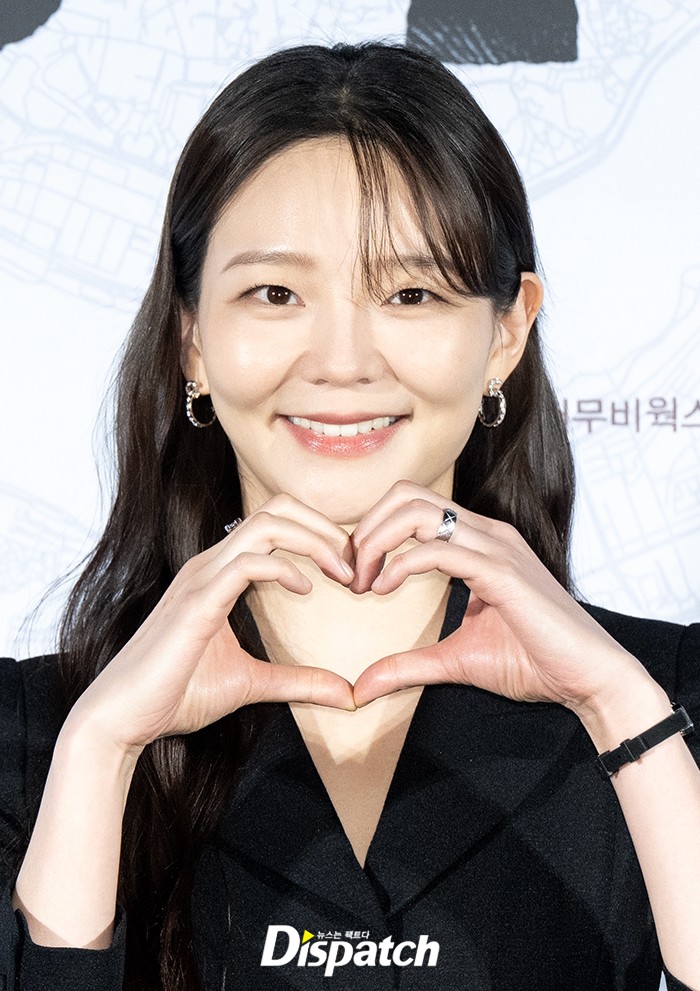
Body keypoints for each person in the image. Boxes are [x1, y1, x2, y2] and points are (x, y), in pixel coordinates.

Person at [1, 40, 699, 991]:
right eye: (275, 293)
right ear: (191, 337)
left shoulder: (662, 694)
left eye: (411, 293)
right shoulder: (41, 735)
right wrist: (98, 751)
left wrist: (622, 710)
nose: (341, 362)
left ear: (507, 331)